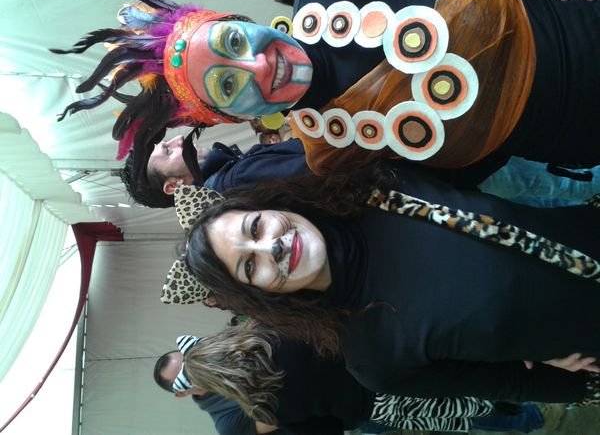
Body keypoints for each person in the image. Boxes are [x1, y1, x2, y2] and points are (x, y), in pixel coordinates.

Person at [53, 0, 600, 197]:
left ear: (241, 21)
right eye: (228, 82)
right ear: (226, 117)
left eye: (235, 40)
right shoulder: (334, 150)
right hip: (580, 133)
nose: (258, 63)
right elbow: (459, 178)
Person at [160, 162, 600, 405]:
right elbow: (510, 385)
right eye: (249, 266)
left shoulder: (375, 185)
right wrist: (570, 379)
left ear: (268, 206)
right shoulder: (374, 361)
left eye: (255, 228)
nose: (270, 247)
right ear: (261, 297)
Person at [176, 329, 554, 434]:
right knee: (465, 375)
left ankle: (529, 416)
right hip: (381, 359)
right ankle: (544, 376)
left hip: (376, 403)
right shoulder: (271, 331)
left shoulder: (265, 407)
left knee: (461, 411)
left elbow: (325, 428)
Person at [121, 133, 309, 207]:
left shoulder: (223, 194)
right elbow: (321, 165)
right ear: (173, 186)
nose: (179, 138)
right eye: (168, 151)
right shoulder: (235, 180)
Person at [154, 348, 280, 434]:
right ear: (182, 393)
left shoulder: (229, 352)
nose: (195, 366)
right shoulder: (228, 422)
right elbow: (282, 416)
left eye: (189, 357)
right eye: (185, 374)